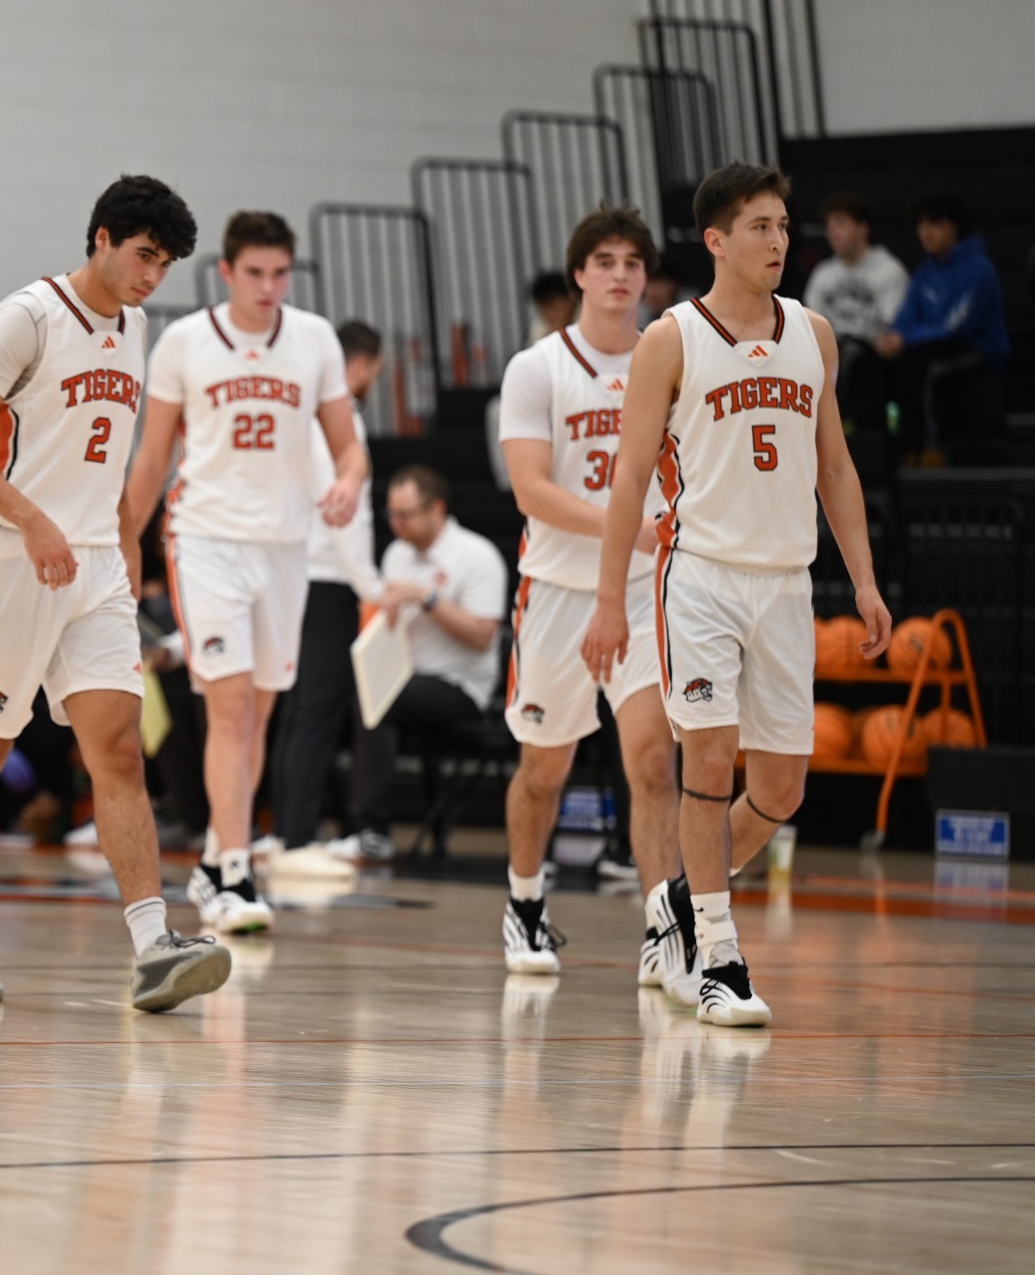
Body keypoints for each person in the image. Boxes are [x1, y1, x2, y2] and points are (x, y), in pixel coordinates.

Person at [0, 175, 230, 1013]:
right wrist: (34, 521)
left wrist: (127, 554)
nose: (154, 275)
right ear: (103, 239)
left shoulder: (138, 326)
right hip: (10, 557)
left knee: (118, 750)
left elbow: (108, 460)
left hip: (95, 570)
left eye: (167, 263)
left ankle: (154, 945)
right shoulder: (31, 317)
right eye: (145, 255)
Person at [585, 162, 892, 1028]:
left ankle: (682, 906)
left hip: (787, 582)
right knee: (709, 762)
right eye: (761, 227)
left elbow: (835, 466)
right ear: (717, 239)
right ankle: (719, 954)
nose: (780, 242)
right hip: (701, 578)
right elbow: (628, 481)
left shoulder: (816, 334)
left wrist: (863, 580)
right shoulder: (670, 340)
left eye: (786, 227)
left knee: (784, 791)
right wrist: (611, 601)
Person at [125, 211, 368, 935]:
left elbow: (347, 447)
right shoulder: (186, 342)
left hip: (286, 544)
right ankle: (234, 869)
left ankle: (213, 857)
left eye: (279, 273)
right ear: (226, 272)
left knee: (260, 710)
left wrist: (351, 480)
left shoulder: (315, 339)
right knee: (227, 707)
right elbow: (151, 456)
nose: (268, 287)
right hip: (205, 538)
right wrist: (121, 544)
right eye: (254, 273)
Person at [494, 205, 692, 994]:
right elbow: (531, 490)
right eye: (604, 261)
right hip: (560, 592)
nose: (619, 275)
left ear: (648, 278)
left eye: (632, 263)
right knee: (545, 771)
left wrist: (659, 535)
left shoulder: (668, 361)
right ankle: (525, 902)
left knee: (652, 759)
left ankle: (662, 931)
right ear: (579, 274)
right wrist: (629, 526)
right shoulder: (538, 367)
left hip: (646, 595)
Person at [267, 320, 389, 876]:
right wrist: (371, 588)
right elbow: (348, 516)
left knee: (295, 714)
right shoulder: (341, 426)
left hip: (294, 577)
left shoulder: (300, 420)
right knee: (316, 714)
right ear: (361, 367)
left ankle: (284, 831)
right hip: (329, 582)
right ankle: (296, 839)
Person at [354, 466, 507, 833]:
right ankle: (357, 826)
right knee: (360, 686)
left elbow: (483, 635)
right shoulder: (396, 555)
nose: (395, 523)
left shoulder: (476, 555)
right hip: (408, 675)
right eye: (391, 514)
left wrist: (427, 598)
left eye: (404, 515)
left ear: (436, 509)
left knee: (380, 697)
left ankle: (371, 830)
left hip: (463, 686)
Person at [875, 193, 1011, 461]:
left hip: (979, 348)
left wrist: (906, 339)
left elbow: (957, 327)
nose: (925, 231)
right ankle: (900, 446)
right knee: (890, 361)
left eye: (933, 223)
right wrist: (896, 337)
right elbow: (905, 318)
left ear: (953, 226)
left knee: (927, 369)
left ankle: (931, 450)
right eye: (921, 224)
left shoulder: (978, 268)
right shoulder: (924, 272)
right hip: (932, 347)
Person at [803, 195, 908, 440]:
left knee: (852, 356)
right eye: (829, 226)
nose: (832, 232)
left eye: (840, 223)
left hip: (870, 356)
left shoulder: (889, 271)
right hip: (828, 353)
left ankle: (855, 430)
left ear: (863, 227)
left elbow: (888, 326)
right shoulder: (822, 274)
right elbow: (810, 323)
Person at [526, 271, 576, 348]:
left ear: (570, 298)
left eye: (554, 306)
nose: (549, 314)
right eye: (543, 309)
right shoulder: (540, 327)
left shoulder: (587, 315)